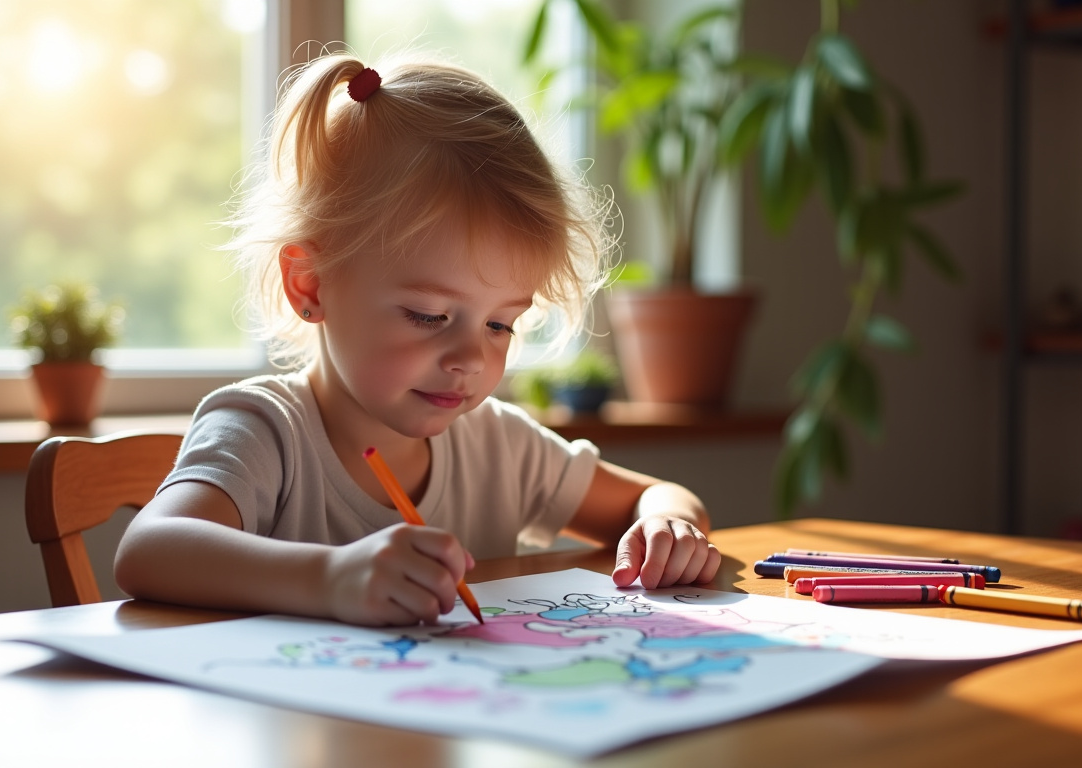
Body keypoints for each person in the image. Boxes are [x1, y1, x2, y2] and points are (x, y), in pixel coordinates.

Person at [114, 53, 719, 627]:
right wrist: (329, 578)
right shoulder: (266, 432)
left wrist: (666, 526)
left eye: (501, 324)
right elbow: (150, 550)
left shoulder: (498, 447)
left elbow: (663, 495)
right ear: (311, 284)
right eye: (428, 315)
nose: (470, 359)